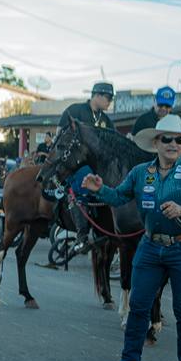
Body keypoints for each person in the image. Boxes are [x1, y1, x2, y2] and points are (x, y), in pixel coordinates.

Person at [84, 113, 181, 361]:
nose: (173, 144)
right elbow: (119, 197)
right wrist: (101, 190)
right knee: (138, 305)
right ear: (156, 142)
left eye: (179, 140)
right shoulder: (140, 173)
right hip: (149, 246)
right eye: (167, 139)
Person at [57, 82, 116, 249]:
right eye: (108, 97)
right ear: (96, 95)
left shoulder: (106, 120)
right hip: (74, 163)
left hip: (99, 167)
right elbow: (59, 134)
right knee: (84, 177)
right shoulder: (75, 110)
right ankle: (81, 235)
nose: (110, 102)